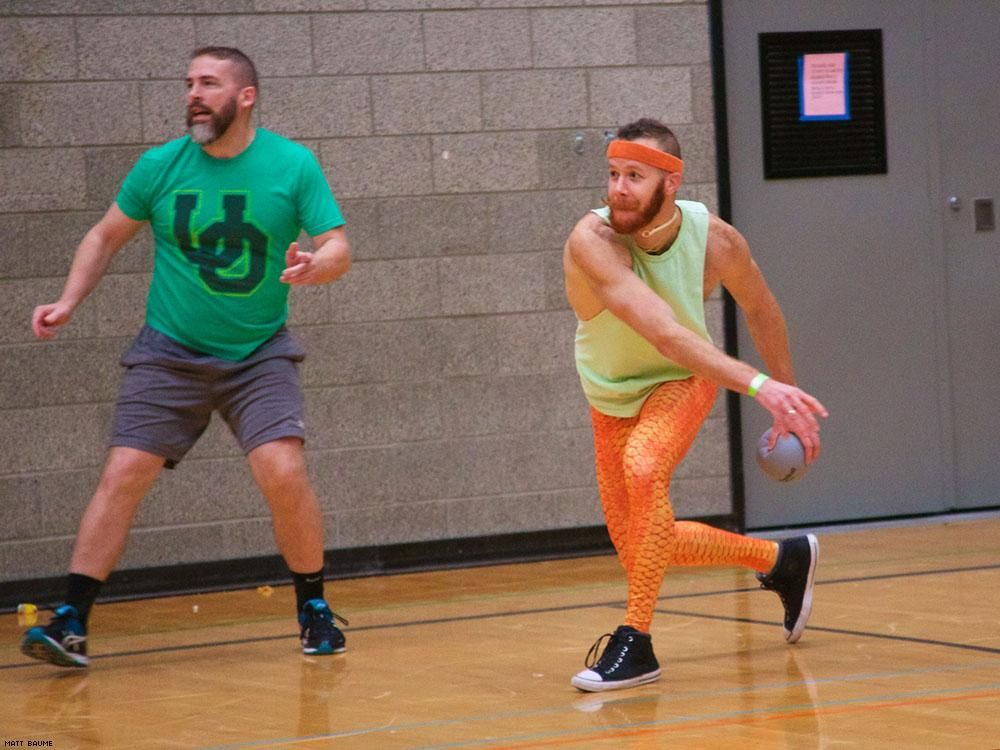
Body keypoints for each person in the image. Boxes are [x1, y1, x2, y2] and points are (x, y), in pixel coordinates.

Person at [21, 47, 352, 668]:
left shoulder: (292, 164)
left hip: (258, 353)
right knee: (123, 472)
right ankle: (70, 620)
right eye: (189, 84)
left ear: (246, 96)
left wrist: (319, 264)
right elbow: (104, 234)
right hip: (169, 351)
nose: (193, 94)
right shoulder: (160, 167)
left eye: (209, 83)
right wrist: (68, 300)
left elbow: (338, 245)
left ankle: (313, 608)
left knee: (282, 470)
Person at [563, 118, 828, 692]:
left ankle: (636, 643)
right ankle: (780, 561)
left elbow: (761, 309)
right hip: (610, 395)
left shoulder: (716, 240)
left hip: (683, 379)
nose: (619, 188)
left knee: (644, 468)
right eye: (613, 174)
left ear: (671, 182)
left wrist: (786, 399)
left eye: (635, 175)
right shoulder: (591, 241)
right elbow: (661, 329)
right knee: (641, 549)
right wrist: (759, 385)